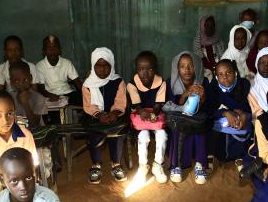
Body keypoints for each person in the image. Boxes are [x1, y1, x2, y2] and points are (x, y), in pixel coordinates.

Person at [82, 47, 128, 184]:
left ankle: (116, 163)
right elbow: (88, 106)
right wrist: (99, 114)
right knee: (94, 133)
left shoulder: (118, 81)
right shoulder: (87, 85)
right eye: (98, 66)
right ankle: (96, 165)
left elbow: (120, 102)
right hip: (95, 116)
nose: (102, 69)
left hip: (115, 115)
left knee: (117, 132)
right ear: (93, 66)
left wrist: (114, 113)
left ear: (111, 65)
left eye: (106, 65)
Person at [165, 51, 211, 184]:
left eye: (191, 66)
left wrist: (203, 98)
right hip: (178, 120)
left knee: (200, 129)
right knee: (179, 128)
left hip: (196, 119)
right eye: (182, 66)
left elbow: (207, 108)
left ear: (196, 66)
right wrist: (185, 94)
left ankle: (200, 164)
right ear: (177, 68)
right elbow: (169, 106)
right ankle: (176, 165)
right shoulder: (171, 83)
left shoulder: (203, 81)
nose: (187, 70)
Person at [127, 51, 168, 182]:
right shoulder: (132, 84)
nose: (145, 73)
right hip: (140, 115)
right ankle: (143, 166)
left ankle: (157, 164)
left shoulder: (161, 82)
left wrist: (154, 113)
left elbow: (158, 104)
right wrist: (142, 112)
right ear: (136, 69)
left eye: (149, 69)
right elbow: (137, 106)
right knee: (143, 136)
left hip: (154, 114)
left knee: (162, 135)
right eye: (141, 69)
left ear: (155, 69)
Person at [206, 59, 251, 162]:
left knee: (245, 124)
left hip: (241, 120)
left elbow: (249, 107)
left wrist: (244, 115)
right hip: (220, 122)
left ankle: (238, 156)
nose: (225, 77)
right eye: (220, 75)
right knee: (215, 125)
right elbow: (209, 110)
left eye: (228, 73)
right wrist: (225, 113)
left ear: (235, 73)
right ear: (216, 77)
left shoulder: (244, 85)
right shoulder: (213, 88)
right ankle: (215, 156)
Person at [35, 35, 83, 109]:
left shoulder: (67, 63)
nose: (52, 50)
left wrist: (87, 95)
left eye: (55, 47)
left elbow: (78, 83)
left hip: (67, 94)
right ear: (44, 51)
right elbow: (40, 88)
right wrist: (51, 96)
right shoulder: (39, 66)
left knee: (84, 100)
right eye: (49, 48)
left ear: (60, 49)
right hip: (49, 95)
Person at [9, 61, 47, 128]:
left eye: (25, 80)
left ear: (31, 78)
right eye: (17, 81)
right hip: (16, 135)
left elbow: (34, 124)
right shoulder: (9, 98)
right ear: (11, 82)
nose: (21, 84)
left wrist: (26, 104)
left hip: (35, 135)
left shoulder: (39, 98)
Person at [193, 15, 224, 80]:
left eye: (212, 26)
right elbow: (198, 57)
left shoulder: (218, 39)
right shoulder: (198, 40)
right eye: (207, 26)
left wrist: (219, 66)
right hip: (204, 72)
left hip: (219, 69)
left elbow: (222, 55)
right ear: (202, 27)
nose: (210, 28)